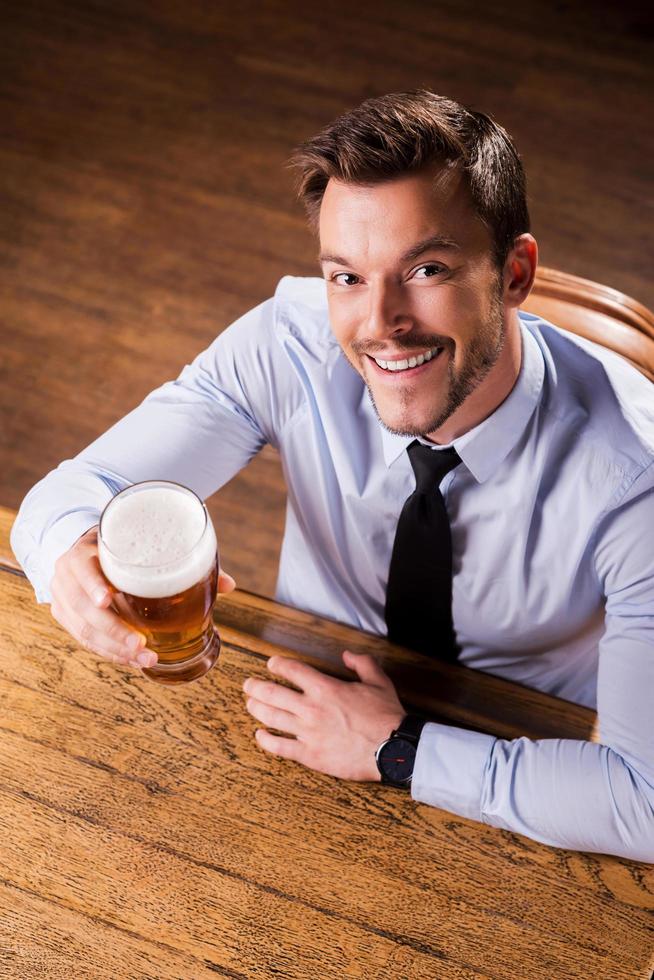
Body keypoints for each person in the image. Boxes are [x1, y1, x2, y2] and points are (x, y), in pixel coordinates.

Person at [10, 91, 653, 862]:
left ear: (514, 274)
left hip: (525, 760)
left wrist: (401, 749)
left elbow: (643, 802)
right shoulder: (284, 345)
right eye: (346, 277)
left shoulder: (636, 477)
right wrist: (65, 560)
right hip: (297, 707)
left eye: (426, 268)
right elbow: (69, 491)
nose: (379, 322)